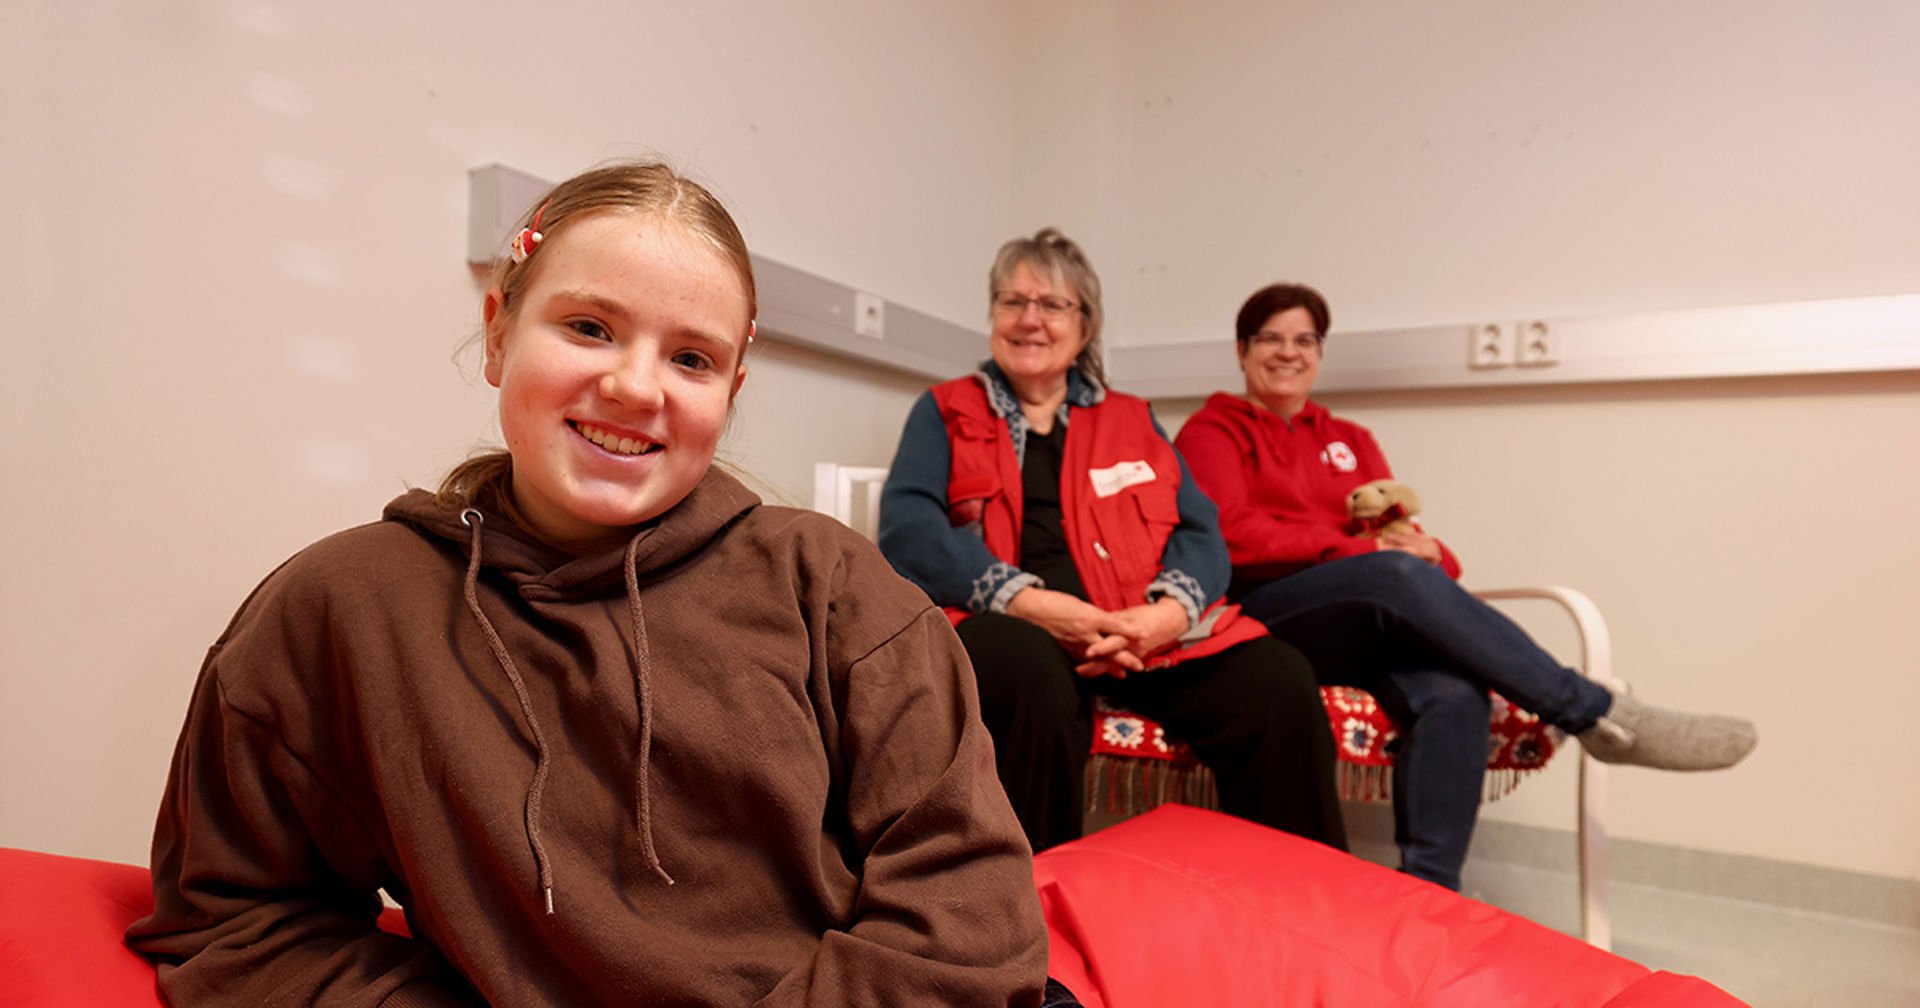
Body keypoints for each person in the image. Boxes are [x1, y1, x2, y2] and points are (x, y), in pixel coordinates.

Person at [125, 162, 1064, 1006]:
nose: (634, 385)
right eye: (588, 327)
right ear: (498, 333)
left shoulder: (834, 588)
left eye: (690, 358)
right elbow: (236, 916)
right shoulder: (337, 610)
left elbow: (969, 919)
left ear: (731, 391)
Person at [1174, 281, 1759, 891]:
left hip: (1360, 616)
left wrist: (1433, 551)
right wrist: (1364, 551)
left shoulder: (1350, 438)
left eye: (1305, 339)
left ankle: (1427, 900)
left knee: (1455, 693)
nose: (1288, 352)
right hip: (1270, 615)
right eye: (1271, 338)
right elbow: (1231, 536)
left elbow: (1395, 527)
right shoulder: (1212, 432)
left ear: (1320, 352)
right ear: (1242, 350)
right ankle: (1593, 711)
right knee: (1391, 572)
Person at [877, 229, 1346, 856]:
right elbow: (909, 528)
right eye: (1013, 302)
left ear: (1086, 324)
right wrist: (1027, 601)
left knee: (1278, 683)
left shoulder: (1132, 416)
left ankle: (1295, 906)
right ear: (992, 313)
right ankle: (1030, 915)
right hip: (1012, 625)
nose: (1030, 320)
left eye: (1053, 305)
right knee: (1029, 676)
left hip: (1141, 632)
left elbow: (1200, 532)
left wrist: (1166, 615)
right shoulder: (945, 409)